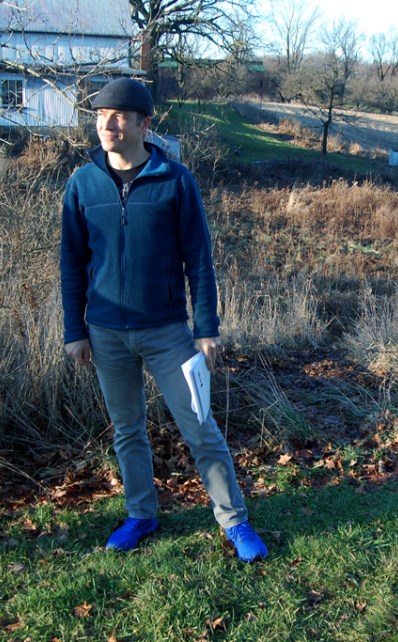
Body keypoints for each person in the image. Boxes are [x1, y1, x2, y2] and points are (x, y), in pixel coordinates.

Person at [60, 78, 267, 563]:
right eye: (101, 115)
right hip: (106, 333)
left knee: (200, 428)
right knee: (127, 430)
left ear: (143, 124)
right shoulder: (82, 183)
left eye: (119, 116)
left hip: (168, 332)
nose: (108, 124)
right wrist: (75, 330)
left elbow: (199, 259)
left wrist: (206, 327)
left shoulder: (175, 180)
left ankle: (233, 520)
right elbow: (71, 263)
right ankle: (141, 515)